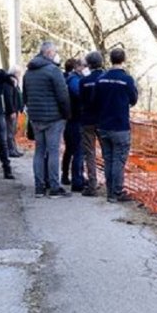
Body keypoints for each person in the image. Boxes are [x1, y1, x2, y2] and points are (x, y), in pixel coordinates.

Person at [23, 41, 71, 198]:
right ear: (49, 53)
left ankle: (39, 187)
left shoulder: (28, 73)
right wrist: (66, 114)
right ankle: (54, 187)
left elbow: (25, 96)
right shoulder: (53, 71)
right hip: (53, 118)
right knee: (53, 152)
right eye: (54, 52)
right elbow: (63, 96)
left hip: (36, 118)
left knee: (39, 151)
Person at [93, 48, 138, 203]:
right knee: (118, 159)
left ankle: (110, 191)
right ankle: (116, 192)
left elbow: (94, 100)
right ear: (123, 60)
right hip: (120, 126)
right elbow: (133, 99)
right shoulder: (127, 80)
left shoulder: (101, 79)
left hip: (103, 125)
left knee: (108, 159)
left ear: (110, 59)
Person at [78, 51, 105, 197]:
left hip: (87, 119)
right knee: (107, 153)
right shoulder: (104, 79)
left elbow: (81, 100)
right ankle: (111, 184)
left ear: (88, 64)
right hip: (102, 120)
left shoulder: (83, 81)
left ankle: (92, 184)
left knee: (89, 153)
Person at [61, 58, 86, 192]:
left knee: (70, 150)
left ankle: (67, 175)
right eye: (84, 66)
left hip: (72, 120)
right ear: (78, 67)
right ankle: (77, 180)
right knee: (78, 151)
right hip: (75, 120)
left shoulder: (71, 79)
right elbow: (80, 94)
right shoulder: (74, 80)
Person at [3, 65, 24, 158]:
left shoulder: (15, 82)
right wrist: (11, 111)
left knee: (13, 131)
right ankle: (10, 150)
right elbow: (9, 98)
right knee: (10, 131)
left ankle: (14, 149)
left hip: (15, 110)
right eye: (18, 73)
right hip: (11, 111)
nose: (19, 75)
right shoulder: (9, 83)